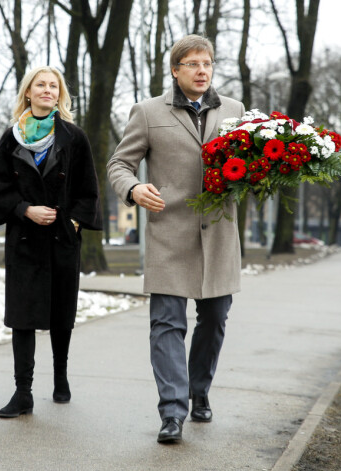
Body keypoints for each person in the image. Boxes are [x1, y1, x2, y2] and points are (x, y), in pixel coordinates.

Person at [107, 35, 245, 443]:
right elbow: (120, 163)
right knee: (166, 324)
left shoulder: (236, 112)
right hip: (169, 235)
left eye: (208, 64)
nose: (203, 71)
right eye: (194, 64)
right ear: (175, 70)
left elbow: (251, 165)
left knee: (214, 320)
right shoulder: (148, 112)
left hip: (220, 235)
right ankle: (172, 412)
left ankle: (198, 389)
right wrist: (133, 189)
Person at [0, 66, 102, 419]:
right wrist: (25, 210)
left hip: (62, 238)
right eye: (41, 85)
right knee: (22, 316)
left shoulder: (73, 136)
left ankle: (61, 377)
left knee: (60, 313)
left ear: (60, 94)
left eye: (54, 86)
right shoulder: (11, 138)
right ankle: (23, 392)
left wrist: (73, 220)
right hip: (24, 239)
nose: (48, 90)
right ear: (28, 92)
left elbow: (88, 189)